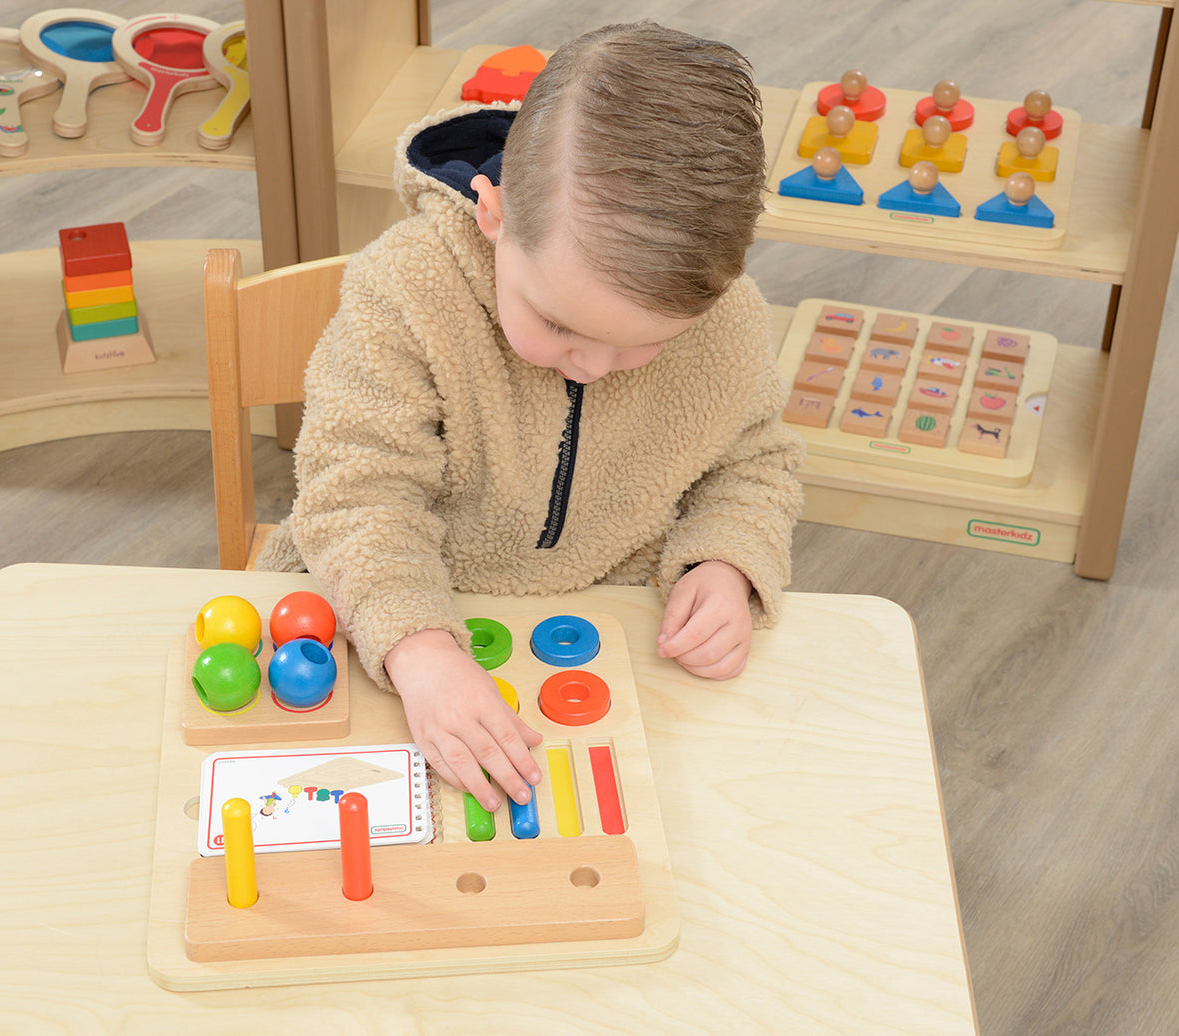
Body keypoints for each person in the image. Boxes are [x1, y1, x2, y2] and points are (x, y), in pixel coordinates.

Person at [259, 21, 805, 814]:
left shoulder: (726, 324)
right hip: (382, 622)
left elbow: (755, 460)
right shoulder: (406, 292)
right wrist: (418, 650)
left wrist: (725, 562)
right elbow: (355, 497)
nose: (591, 365)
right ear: (495, 214)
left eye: (640, 346)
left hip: (608, 632)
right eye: (558, 326)